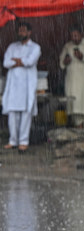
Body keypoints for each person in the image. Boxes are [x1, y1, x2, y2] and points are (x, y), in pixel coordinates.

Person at [2, 22, 41, 152]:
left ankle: (23, 141)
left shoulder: (35, 47)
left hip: (27, 85)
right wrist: (21, 61)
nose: (21, 33)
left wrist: (17, 61)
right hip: (13, 85)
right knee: (12, 113)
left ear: (29, 32)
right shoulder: (12, 46)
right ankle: (13, 140)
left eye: (23, 31)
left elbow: (30, 62)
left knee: (25, 113)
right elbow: (6, 63)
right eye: (19, 31)